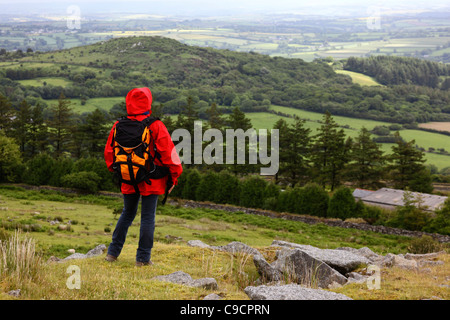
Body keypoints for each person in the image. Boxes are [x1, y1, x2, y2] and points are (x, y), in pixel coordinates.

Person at [104, 87, 182, 266]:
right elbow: (170, 155)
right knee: (147, 217)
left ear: (128, 102)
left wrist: (121, 171)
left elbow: (109, 153)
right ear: (148, 102)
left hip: (127, 178)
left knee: (127, 213)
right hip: (151, 180)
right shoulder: (155, 125)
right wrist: (174, 177)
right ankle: (142, 259)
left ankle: (112, 254)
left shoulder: (118, 125)